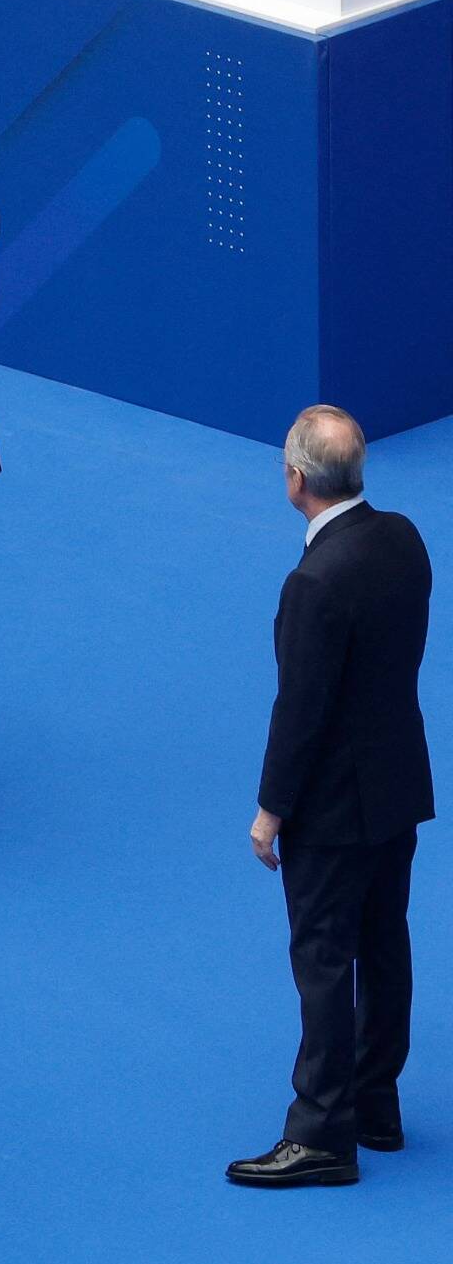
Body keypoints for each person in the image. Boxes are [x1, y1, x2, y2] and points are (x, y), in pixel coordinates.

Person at [227, 406, 433, 1188]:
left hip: (334, 809)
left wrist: (269, 810)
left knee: (322, 959)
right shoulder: (404, 538)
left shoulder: (313, 582)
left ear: (296, 478)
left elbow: (301, 711)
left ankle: (320, 1132)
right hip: (396, 787)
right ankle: (376, 1104)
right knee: (384, 945)